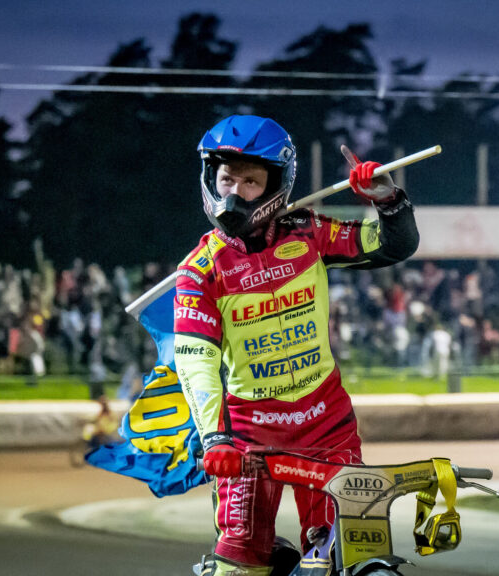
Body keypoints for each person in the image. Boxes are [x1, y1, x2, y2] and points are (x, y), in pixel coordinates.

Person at [173, 115, 419, 576]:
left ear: (276, 185)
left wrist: (386, 200)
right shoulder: (199, 269)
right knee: (236, 564)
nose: (233, 192)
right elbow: (195, 359)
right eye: (225, 178)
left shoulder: (310, 231)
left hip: (327, 430)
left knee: (351, 558)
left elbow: (392, 245)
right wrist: (215, 437)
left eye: (250, 181)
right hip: (247, 440)